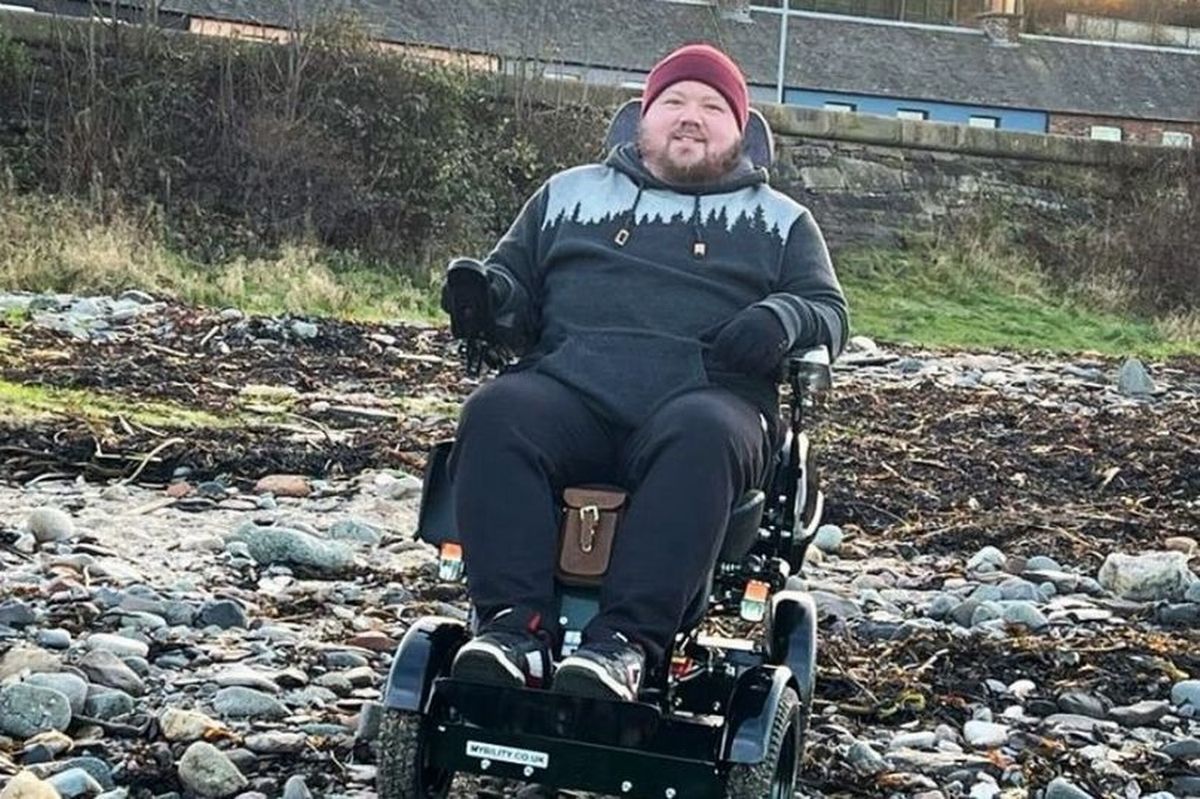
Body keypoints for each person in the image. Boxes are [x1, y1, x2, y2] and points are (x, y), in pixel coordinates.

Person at [441, 43, 847, 702]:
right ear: (642, 119)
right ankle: (515, 629)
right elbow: (512, 281)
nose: (691, 117)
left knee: (703, 432)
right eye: (674, 103)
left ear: (740, 130)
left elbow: (830, 312)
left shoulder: (781, 222)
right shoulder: (566, 195)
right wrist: (486, 299)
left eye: (713, 106)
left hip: (708, 398)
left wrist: (782, 318)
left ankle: (625, 645)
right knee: (494, 411)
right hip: (571, 390)